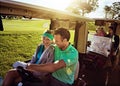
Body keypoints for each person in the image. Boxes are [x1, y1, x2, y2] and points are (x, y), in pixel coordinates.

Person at [3, 28, 79, 86]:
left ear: (65, 40)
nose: (54, 42)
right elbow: (46, 46)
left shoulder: (72, 53)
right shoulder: (56, 47)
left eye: (57, 41)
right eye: (54, 40)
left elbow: (53, 67)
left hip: (62, 82)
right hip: (51, 77)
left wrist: (28, 66)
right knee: (17, 79)